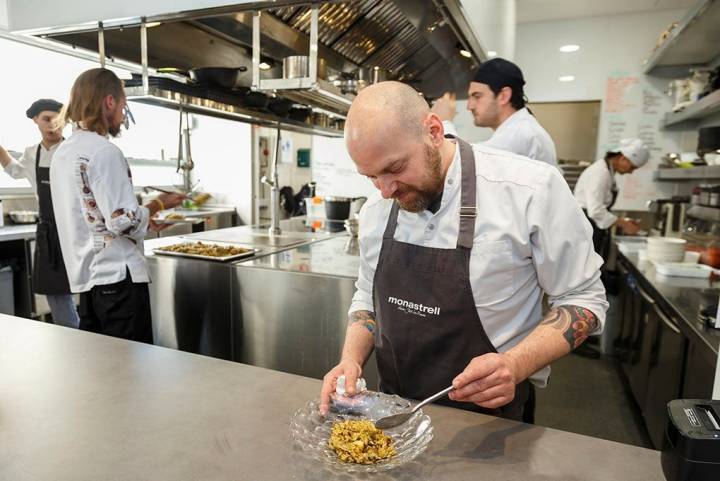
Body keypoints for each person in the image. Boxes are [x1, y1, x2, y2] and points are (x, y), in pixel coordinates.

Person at [318, 81, 607, 422]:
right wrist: (350, 359)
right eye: (371, 177)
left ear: (434, 131)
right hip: (394, 416)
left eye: (394, 169)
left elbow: (583, 300)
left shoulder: (529, 190)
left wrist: (514, 365)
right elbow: (367, 296)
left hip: (490, 420)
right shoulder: (376, 210)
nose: (384, 190)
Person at [50, 68, 184, 343]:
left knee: (103, 372)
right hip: (117, 281)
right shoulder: (104, 151)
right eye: (123, 107)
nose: (123, 116)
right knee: (131, 370)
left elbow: (92, 218)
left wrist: (145, 219)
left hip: (88, 283)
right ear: (109, 102)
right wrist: (157, 204)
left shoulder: (63, 152)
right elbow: (122, 221)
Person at [0, 99, 80, 328]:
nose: (54, 125)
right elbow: (15, 171)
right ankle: (70, 334)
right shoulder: (31, 153)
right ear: (35, 120)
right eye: (47, 119)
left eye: (59, 120)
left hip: (76, 228)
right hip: (49, 231)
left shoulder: (73, 150)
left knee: (90, 288)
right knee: (55, 291)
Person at [431, 58, 558, 167]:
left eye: (477, 96)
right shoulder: (519, 128)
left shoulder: (520, 133)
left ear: (503, 96)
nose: (469, 106)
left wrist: (443, 122)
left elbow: (461, 165)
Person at [573, 138, 649, 261]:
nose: (631, 172)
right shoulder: (600, 173)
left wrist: (622, 221)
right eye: (632, 167)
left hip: (592, 228)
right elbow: (595, 210)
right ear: (623, 158)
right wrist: (623, 223)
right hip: (587, 229)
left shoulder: (607, 171)